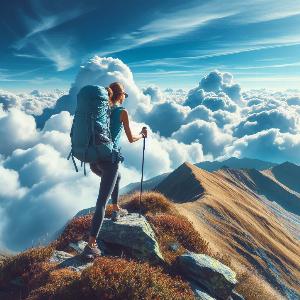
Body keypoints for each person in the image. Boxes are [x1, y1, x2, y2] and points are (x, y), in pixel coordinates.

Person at [81, 82, 148, 260]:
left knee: (117, 177)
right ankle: (91, 245)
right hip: (110, 161)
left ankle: (116, 207)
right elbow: (131, 138)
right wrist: (142, 134)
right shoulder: (122, 112)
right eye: (125, 95)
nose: (125, 97)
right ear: (120, 96)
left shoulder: (101, 111)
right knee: (101, 202)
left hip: (94, 160)